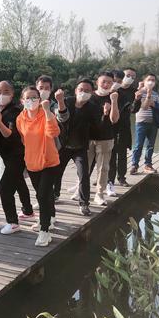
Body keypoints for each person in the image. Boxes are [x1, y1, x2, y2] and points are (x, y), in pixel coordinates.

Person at [15, 86, 61, 247]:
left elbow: (53, 133)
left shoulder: (46, 114)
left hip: (49, 162)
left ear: (40, 99)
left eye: (34, 97)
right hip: (32, 163)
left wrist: (47, 111)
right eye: (27, 98)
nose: (31, 100)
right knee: (44, 194)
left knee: (42, 196)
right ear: (22, 101)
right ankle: (51, 217)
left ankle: (44, 230)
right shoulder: (20, 119)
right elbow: (24, 139)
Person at [0, 81, 34, 235]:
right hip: (6, 155)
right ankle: (28, 211)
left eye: (6, 91)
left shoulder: (16, 111)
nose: (2, 95)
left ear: (12, 93)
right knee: (19, 181)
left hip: (18, 154)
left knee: (4, 187)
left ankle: (13, 222)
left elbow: (10, 134)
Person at [54, 79, 99, 216]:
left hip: (80, 147)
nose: (83, 92)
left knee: (84, 174)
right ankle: (55, 195)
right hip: (64, 145)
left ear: (92, 93)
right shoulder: (67, 101)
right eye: (81, 89)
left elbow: (96, 125)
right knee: (56, 172)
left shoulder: (93, 107)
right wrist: (60, 101)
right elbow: (61, 118)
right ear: (76, 90)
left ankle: (84, 203)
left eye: (87, 90)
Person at [88, 72, 120, 205]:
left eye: (109, 82)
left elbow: (114, 119)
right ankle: (81, 189)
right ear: (97, 82)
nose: (106, 84)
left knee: (103, 168)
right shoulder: (90, 96)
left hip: (106, 138)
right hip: (88, 137)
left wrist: (113, 102)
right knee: (84, 166)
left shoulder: (113, 96)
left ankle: (99, 194)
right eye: (103, 82)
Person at [107, 68, 138, 194]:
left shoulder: (133, 92)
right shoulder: (111, 89)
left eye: (133, 77)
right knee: (110, 154)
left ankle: (121, 178)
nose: (130, 78)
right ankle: (108, 179)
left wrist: (137, 99)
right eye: (128, 75)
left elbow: (133, 110)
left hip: (123, 126)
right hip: (109, 126)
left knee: (122, 153)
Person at [130, 73, 159, 174]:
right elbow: (144, 107)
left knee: (150, 145)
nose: (151, 82)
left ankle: (148, 165)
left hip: (153, 123)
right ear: (144, 81)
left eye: (153, 80)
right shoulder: (139, 93)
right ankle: (134, 165)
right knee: (138, 145)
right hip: (141, 123)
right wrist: (148, 96)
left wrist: (155, 104)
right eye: (149, 80)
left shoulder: (156, 94)